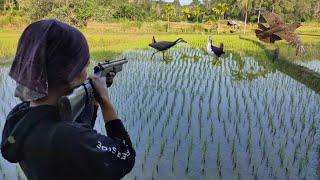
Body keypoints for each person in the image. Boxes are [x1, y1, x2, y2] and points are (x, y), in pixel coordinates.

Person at [0, 19, 135, 180]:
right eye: (84, 66)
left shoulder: (17, 116)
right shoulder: (70, 138)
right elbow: (125, 157)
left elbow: (76, 126)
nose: (86, 73)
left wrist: (91, 97)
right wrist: (105, 101)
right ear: (71, 75)